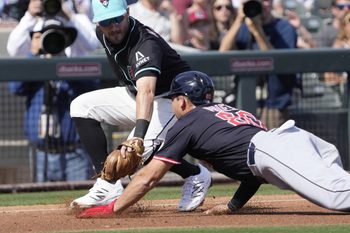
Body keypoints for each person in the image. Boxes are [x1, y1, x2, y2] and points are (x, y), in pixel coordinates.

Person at [77, 70, 350, 218]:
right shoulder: (227, 112)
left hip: (273, 149)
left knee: (337, 197)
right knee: (340, 184)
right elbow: (254, 173)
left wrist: (114, 208)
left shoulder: (190, 119)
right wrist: (232, 206)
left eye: (173, 99)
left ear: (182, 100)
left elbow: (149, 177)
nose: (172, 104)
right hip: (286, 142)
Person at [69, 0, 211, 212]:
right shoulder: (103, 33)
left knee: (135, 154)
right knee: (81, 106)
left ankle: (195, 174)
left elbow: (147, 90)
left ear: (127, 13)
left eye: (118, 18)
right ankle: (107, 185)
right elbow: (140, 91)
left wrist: (138, 136)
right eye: (107, 22)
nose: (114, 26)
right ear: (98, 23)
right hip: (136, 94)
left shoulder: (145, 42)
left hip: (172, 100)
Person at [8, 18, 96, 182]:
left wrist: (65, 66)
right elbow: (15, 88)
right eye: (48, 36)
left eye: (57, 36)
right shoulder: (34, 67)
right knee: (40, 200)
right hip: (41, 151)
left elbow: (92, 86)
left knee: (79, 199)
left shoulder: (76, 64)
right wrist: (34, 55)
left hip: (74, 152)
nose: (52, 41)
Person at [219, 0, 298, 129]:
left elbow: (275, 63)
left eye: (265, 1)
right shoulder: (243, 28)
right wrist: (239, 19)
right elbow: (222, 53)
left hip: (273, 105)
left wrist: (257, 31)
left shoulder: (284, 28)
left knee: (270, 147)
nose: (261, 4)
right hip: (244, 103)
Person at [6, 0, 100, 57]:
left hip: (72, 76)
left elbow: (92, 46)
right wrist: (30, 15)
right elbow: (13, 50)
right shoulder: (32, 24)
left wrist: (69, 18)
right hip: (42, 76)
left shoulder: (78, 20)